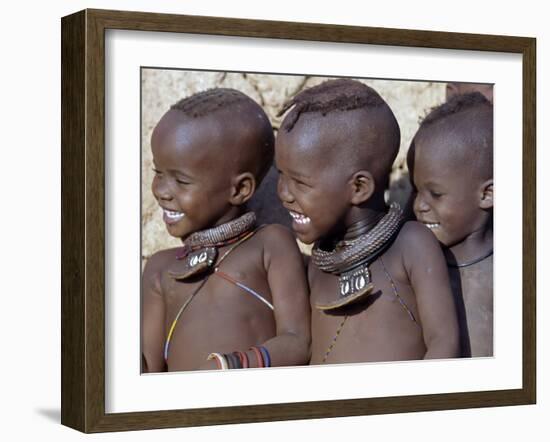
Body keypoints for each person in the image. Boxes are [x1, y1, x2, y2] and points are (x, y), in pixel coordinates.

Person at [275, 79, 459, 364]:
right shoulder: (320, 264)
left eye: (299, 182)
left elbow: (443, 342)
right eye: (280, 175)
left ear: (359, 187)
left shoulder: (411, 244)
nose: (283, 193)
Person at [142, 88, 311, 372]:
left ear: (240, 189)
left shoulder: (269, 245)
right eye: (158, 172)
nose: (161, 191)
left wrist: (233, 366)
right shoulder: (160, 268)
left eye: (181, 181)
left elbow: (298, 341)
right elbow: (148, 367)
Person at [408, 92, 493, 357]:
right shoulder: (412, 263)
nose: (419, 206)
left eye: (435, 194)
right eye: (416, 190)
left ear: (487, 194)